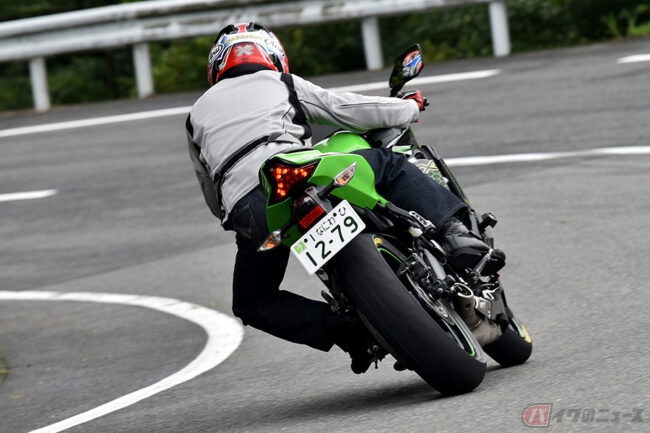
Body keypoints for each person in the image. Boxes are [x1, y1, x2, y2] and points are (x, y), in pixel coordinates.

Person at [186, 22, 505, 374]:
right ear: (273, 55)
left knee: (253, 302)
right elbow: (345, 108)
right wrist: (407, 108)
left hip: (250, 210)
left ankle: (352, 331)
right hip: (295, 169)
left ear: (216, 67)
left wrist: (240, 220)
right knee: (388, 164)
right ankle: (455, 236)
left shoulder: (196, 113)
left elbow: (210, 190)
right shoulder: (279, 82)